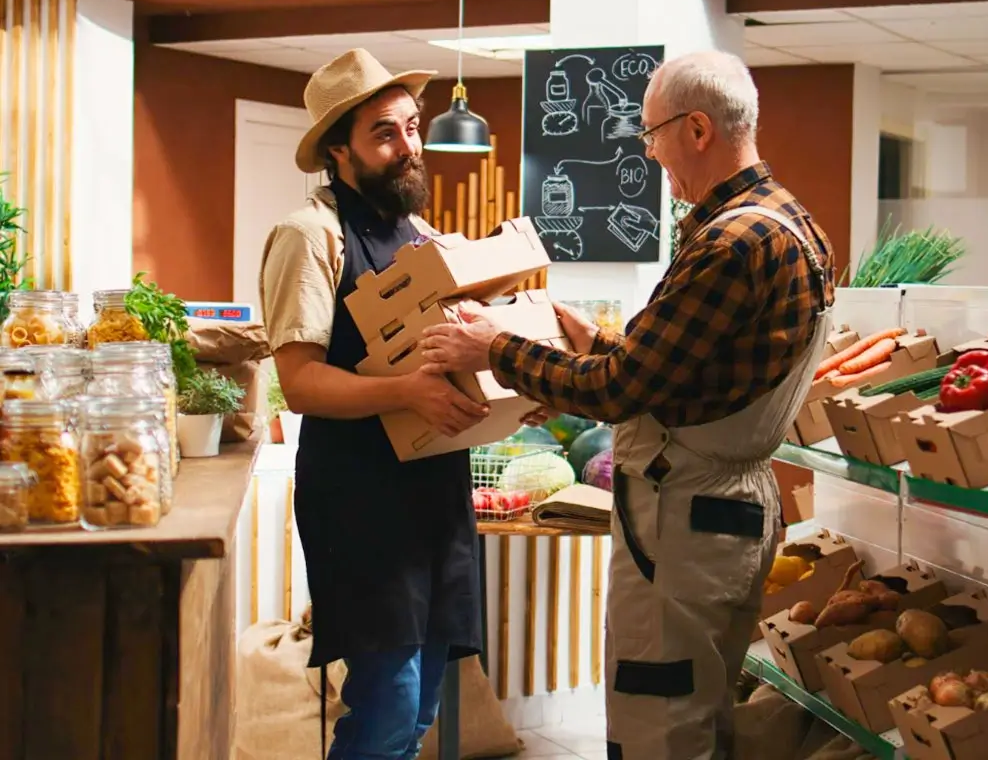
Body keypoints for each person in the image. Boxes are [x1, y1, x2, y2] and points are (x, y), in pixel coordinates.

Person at [418, 49, 836, 760]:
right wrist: (601, 339)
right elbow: (698, 373)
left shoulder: (729, 242)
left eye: (652, 134)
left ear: (698, 129)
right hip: (733, 510)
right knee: (703, 712)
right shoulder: (793, 223)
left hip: (685, 519)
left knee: (659, 721)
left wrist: (492, 349)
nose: (649, 152)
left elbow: (617, 393)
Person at [259, 48, 489, 760]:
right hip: (359, 498)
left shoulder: (423, 240)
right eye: (385, 134)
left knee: (420, 707)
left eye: (412, 128)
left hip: (434, 494)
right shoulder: (311, 236)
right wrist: (404, 391)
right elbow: (299, 382)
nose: (409, 148)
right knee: (386, 706)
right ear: (339, 150)